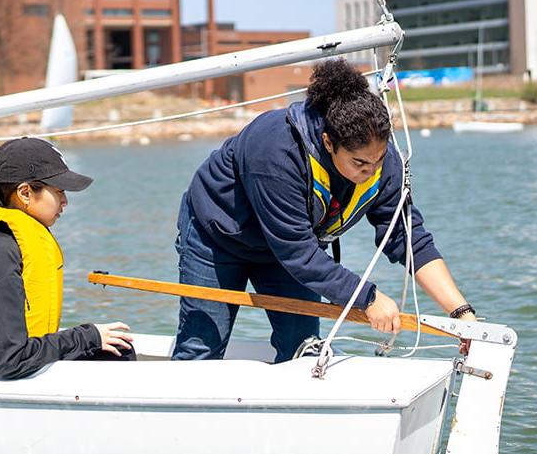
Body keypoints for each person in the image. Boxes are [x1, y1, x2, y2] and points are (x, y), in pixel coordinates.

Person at [172, 58, 474, 362]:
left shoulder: (381, 160)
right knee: (201, 349)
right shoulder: (276, 152)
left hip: (288, 252)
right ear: (329, 143)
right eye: (359, 163)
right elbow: (299, 254)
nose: (371, 171)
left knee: (302, 351)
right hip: (216, 238)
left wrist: (461, 313)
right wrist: (366, 298)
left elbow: (409, 238)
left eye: (378, 160)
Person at [0, 137, 134, 378]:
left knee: (118, 350)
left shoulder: (12, 238)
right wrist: (87, 336)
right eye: (58, 191)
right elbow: (7, 360)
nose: (65, 202)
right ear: (25, 193)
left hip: (13, 363)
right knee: (115, 354)